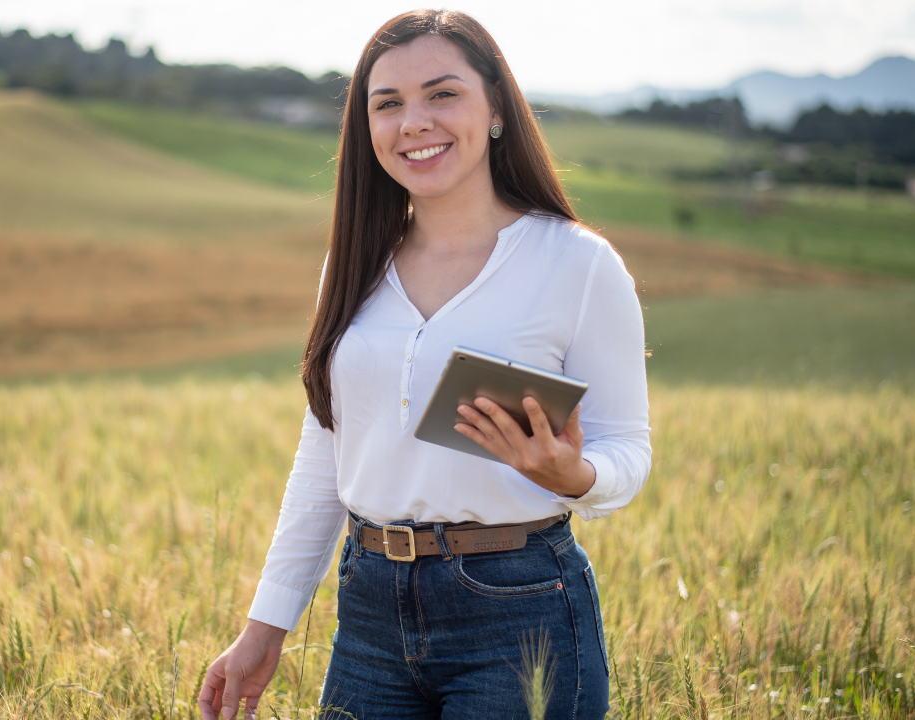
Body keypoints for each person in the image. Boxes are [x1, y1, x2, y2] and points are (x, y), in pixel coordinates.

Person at [199, 9, 650, 720]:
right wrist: (267, 625)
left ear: (495, 107)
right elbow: (327, 450)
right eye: (388, 104)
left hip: (520, 613)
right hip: (370, 612)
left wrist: (577, 477)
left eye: (443, 94)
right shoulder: (355, 265)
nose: (414, 122)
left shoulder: (578, 264)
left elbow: (630, 448)